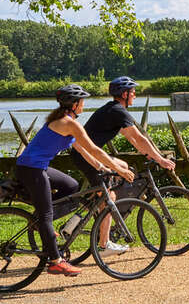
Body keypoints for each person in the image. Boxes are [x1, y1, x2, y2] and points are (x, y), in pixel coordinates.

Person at [15, 84, 135, 278]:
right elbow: (95, 149)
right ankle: (55, 261)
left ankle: (40, 223)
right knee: (46, 216)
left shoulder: (64, 120)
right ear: (75, 104)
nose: (84, 105)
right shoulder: (69, 123)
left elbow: (82, 149)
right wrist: (119, 168)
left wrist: (101, 167)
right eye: (82, 102)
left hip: (35, 166)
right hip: (31, 170)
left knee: (71, 186)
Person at [69, 76, 175, 252]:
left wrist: (150, 154)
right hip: (87, 157)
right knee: (109, 197)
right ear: (124, 94)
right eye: (132, 92)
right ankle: (104, 243)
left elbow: (135, 139)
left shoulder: (114, 109)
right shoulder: (118, 111)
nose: (135, 95)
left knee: (124, 167)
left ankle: (101, 207)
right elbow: (137, 138)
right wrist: (160, 159)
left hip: (87, 154)